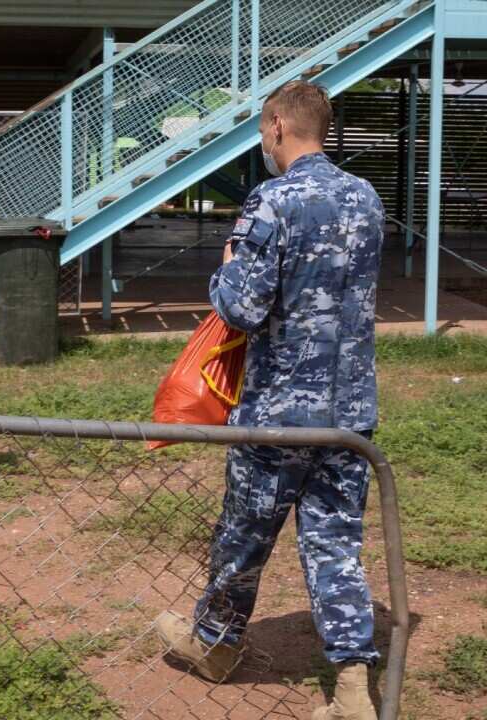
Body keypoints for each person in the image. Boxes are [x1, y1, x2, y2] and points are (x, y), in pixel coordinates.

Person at [153, 80, 385, 720]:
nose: (262, 140)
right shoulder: (366, 198)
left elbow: (244, 306)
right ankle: (353, 690)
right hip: (351, 416)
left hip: (279, 414)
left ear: (278, 124)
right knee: (336, 546)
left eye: (261, 130)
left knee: (242, 538)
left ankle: (216, 645)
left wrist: (226, 264)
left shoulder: (273, 200)